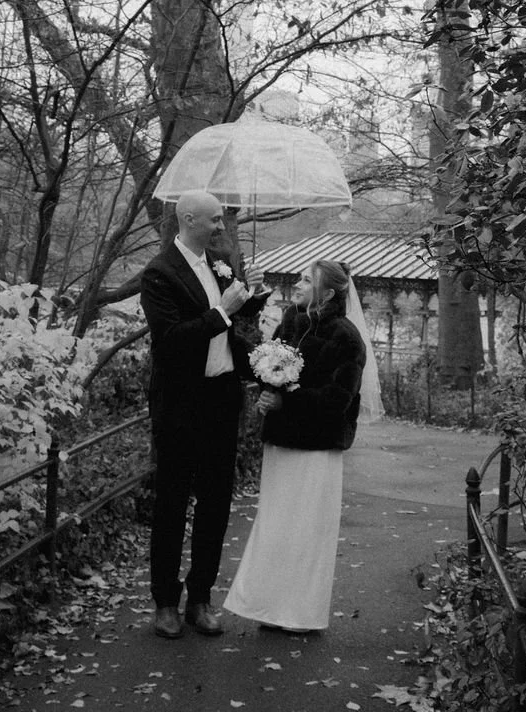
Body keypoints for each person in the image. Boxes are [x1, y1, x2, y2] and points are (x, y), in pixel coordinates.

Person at [139, 189, 268, 639]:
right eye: (214, 220)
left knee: (215, 504)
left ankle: (200, 598)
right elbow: (172, 341)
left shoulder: (222, 263)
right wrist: (222, 310)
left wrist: (250, 301)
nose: (221, 226)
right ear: (188, 219)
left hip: (221, 400)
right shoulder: (158, 274)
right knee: (172, 504)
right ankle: (165, 604)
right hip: (179, 405)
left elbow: (230, 323)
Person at [223, 259, 367, 633]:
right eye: (300, 277)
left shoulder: (346, 337)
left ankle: (300, 614)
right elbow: (269, 365)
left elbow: (338, 399)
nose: (299, 284)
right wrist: (268, 392)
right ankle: (270, 607)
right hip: (283, 441)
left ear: (330, 292)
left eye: (307, 280)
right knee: (277, 525)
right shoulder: (291, 320)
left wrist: (288, 401)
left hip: (317, 448)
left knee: (306, 528)